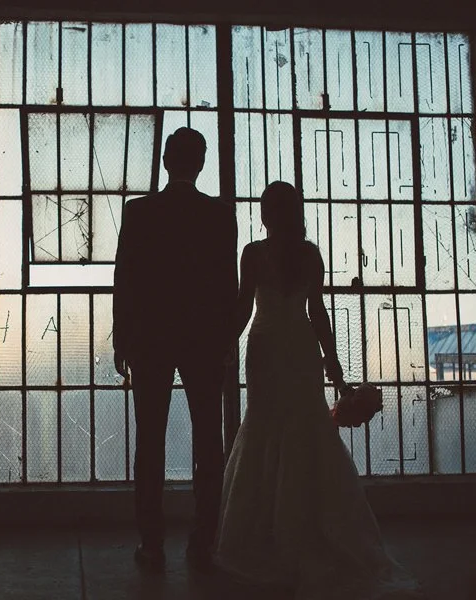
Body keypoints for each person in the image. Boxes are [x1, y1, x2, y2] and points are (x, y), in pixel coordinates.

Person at [214, 181, 424, 598]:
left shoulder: (254, 255)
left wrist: (220, 348)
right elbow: (318, 312)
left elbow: (242, 308)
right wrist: (334, 367)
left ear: (264, 215)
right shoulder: (310, 255)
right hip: (300, 348)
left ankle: (266, 533)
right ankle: (310, 525)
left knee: (263, 429)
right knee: (306, 431)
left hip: (266, 349)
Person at [113, 127, 238, 572]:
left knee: (150, 440)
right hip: (204, 342)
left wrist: (121, 337)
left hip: (149, 340)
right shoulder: (221, 216)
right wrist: (226, 342)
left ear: (165, 161)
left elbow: (125, 278)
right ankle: (203, 540)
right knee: (209, 440)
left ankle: (151, 541)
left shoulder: (139, 212)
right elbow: (228, 287)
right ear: (201, 164)